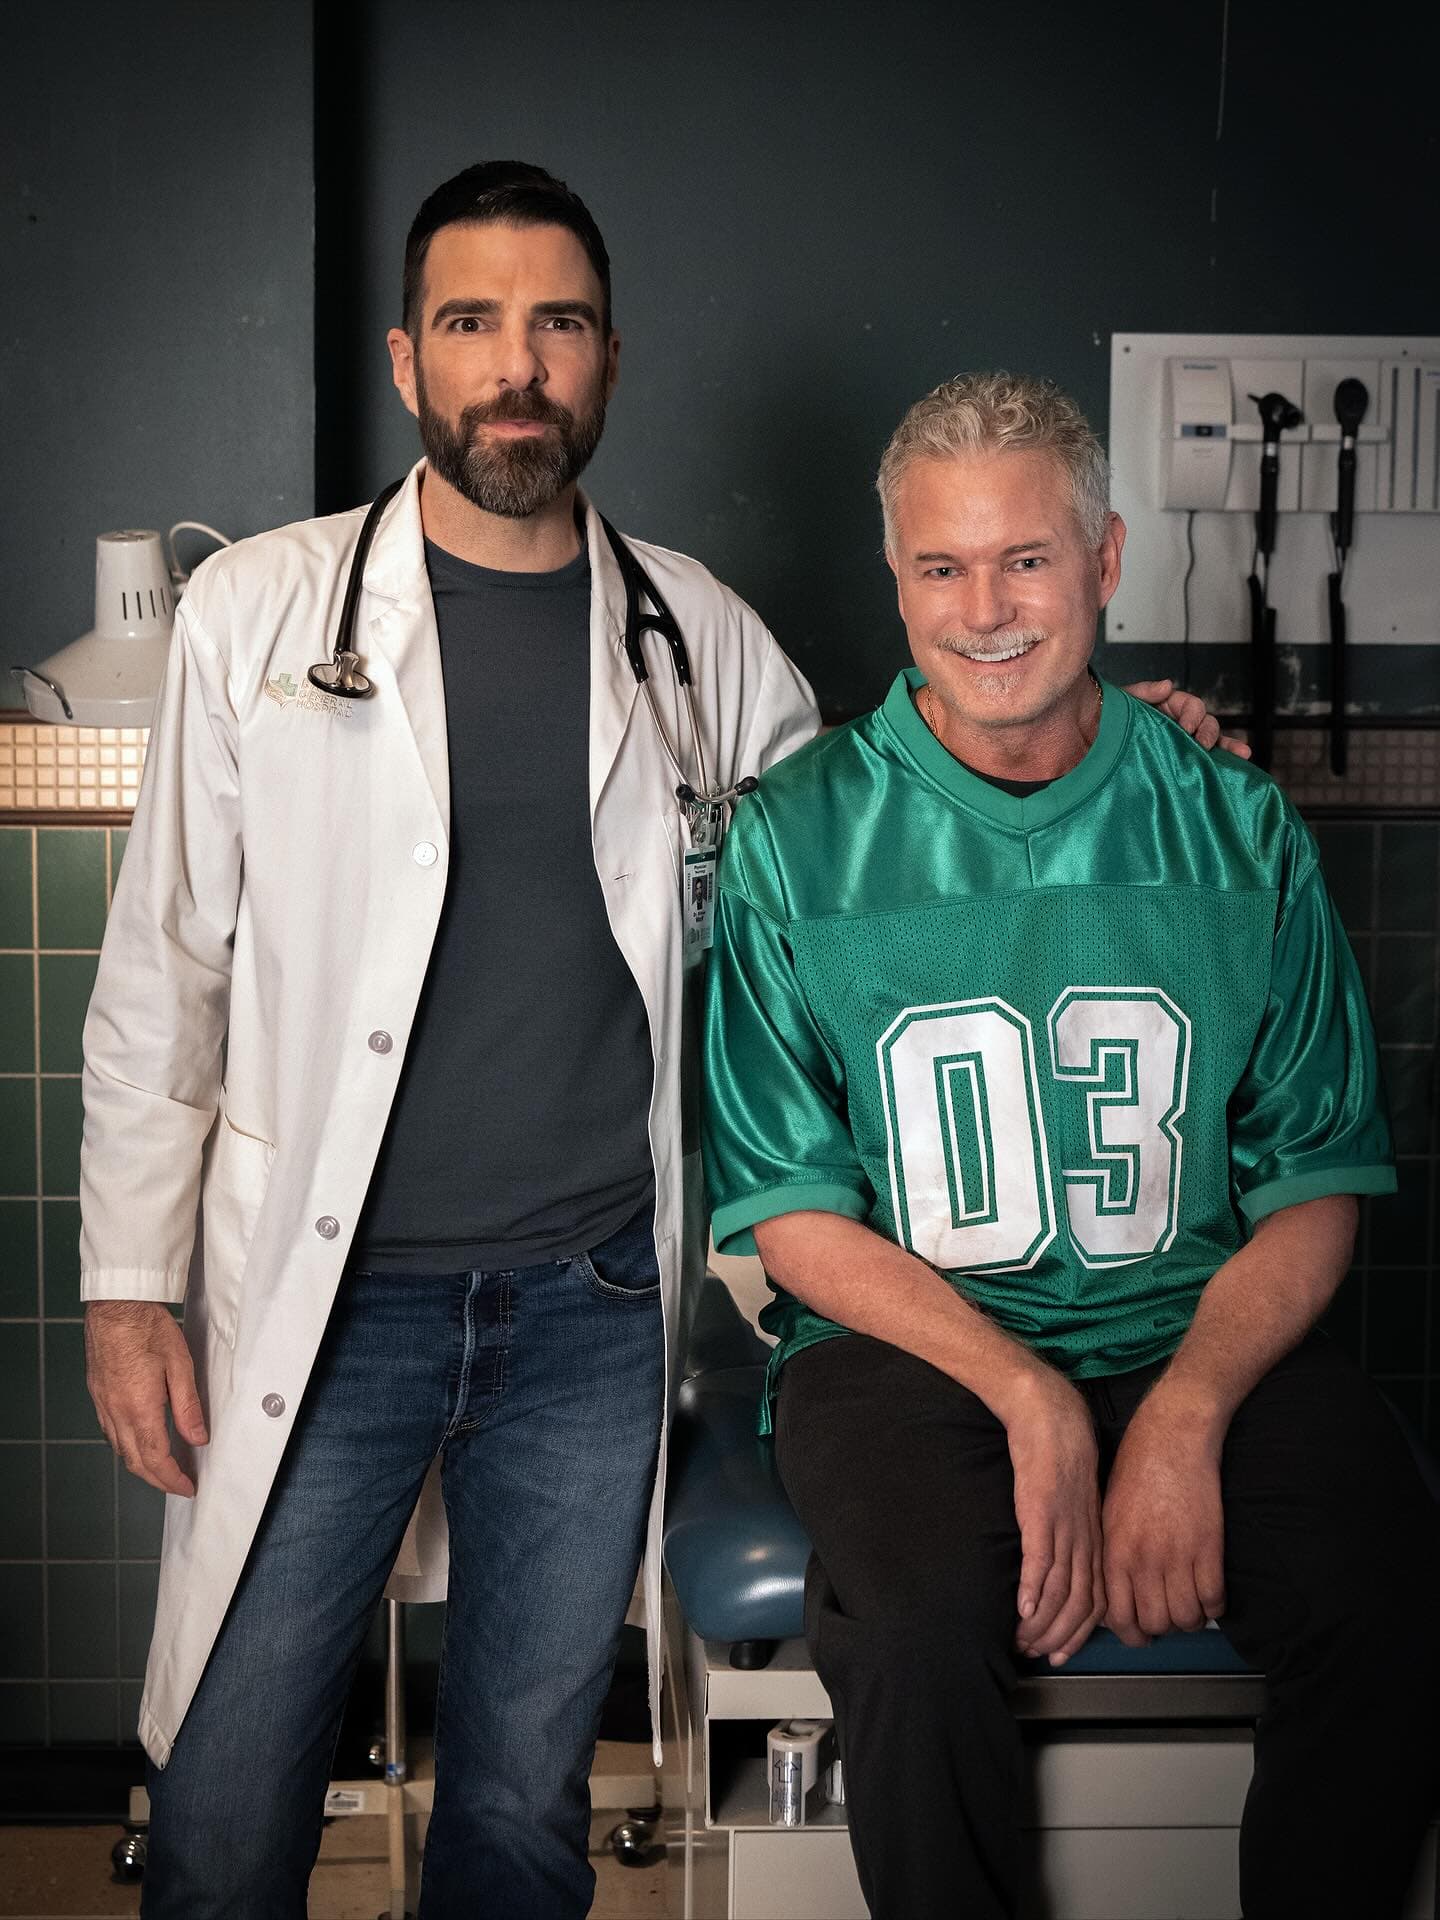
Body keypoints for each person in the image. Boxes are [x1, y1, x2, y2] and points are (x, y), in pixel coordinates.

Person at [79, 160, 1230, 1917]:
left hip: (589, 1310)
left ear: (611, 358)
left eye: (556, 324)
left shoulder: (701, 642)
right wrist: (127, 1289)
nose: (513, 365)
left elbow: (873, 830)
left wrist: (1097, 732)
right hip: (323, 1301)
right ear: (408, 361)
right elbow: (161, 975)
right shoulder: (260, 623)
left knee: (525, 1813)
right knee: (230, 1806)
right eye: (471, 322)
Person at [702, 371, 1440, 1920]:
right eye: (940, 566)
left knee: (1391, 1591)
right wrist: (1031, 1393)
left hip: (1194, 1326)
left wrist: (1180, 1416)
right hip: (907, 1354)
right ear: (892, 574)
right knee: (908, 1630)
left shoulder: (1235, 827)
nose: (985, 609)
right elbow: (792, 1217)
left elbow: (1311, 1191)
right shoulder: (793, 836)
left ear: (1104, 561)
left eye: (1026, 561)